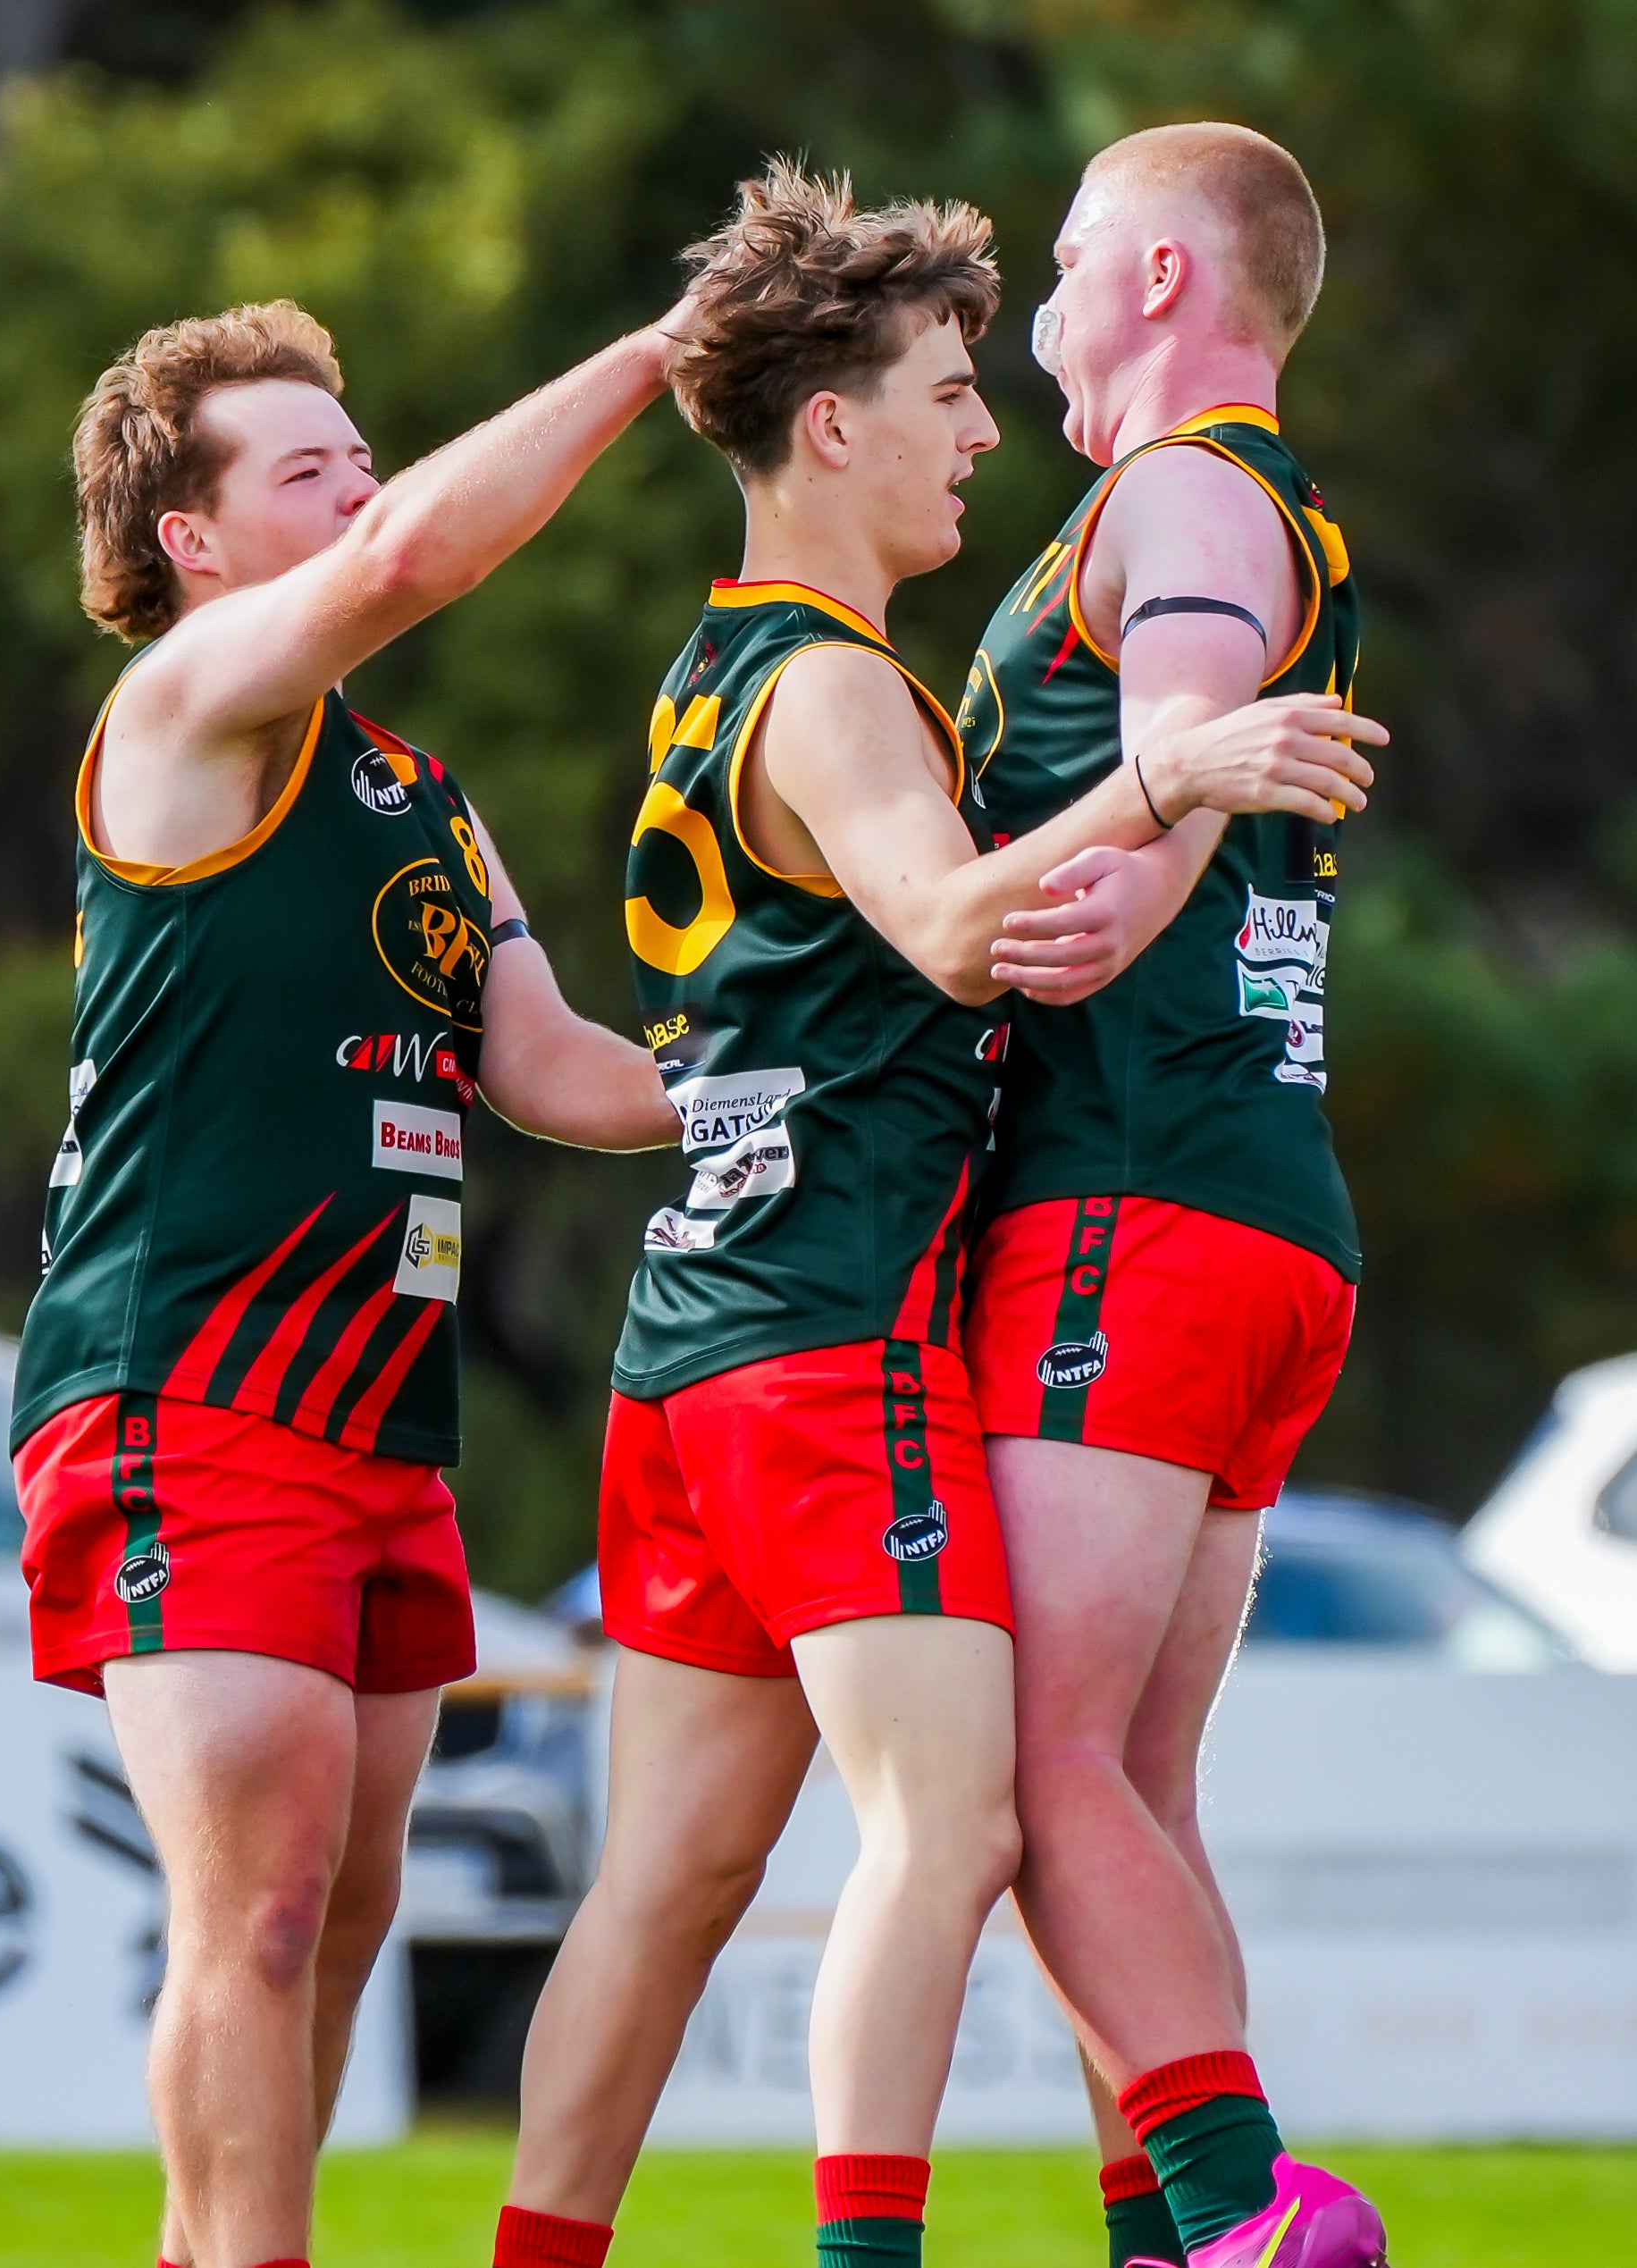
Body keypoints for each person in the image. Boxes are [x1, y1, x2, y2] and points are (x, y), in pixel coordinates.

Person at [487, 163, 1380, 2268]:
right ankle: (1199, 2217)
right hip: (881, 1319)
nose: (986, 418)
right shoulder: (848, 675)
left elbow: (664, 1059)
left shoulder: (719, 673)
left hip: (716, 1322)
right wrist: (1165, 789)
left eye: (1032, 317)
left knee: (715, 1872)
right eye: (946, 386)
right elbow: (972, 923)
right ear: (832, 427)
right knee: (1013, 1802)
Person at [10, 298, 689, 2268]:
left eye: (362, 450)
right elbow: (415, 561)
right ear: (190, 546)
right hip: (183, 1393)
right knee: (267, 1913)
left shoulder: (413, 785)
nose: (365, 490)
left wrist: (800, 1073)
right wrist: (660, 348)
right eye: (303, 467)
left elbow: (553, 1066)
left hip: (381, 1425)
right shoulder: (185, 710)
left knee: (347, 1915)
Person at [959, 125, 1390, 2268]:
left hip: (1132, 1202)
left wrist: (1098, 903)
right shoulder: (1250, 494)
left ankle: (1250, 2208)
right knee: (1124, 1786)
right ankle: (1176, 2244)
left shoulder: (1180, 490)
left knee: (1030, 1779)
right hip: (1251, 1213)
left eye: (1053, 265)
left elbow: (1186, 739)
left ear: (1149, 278)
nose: (1029, 309)